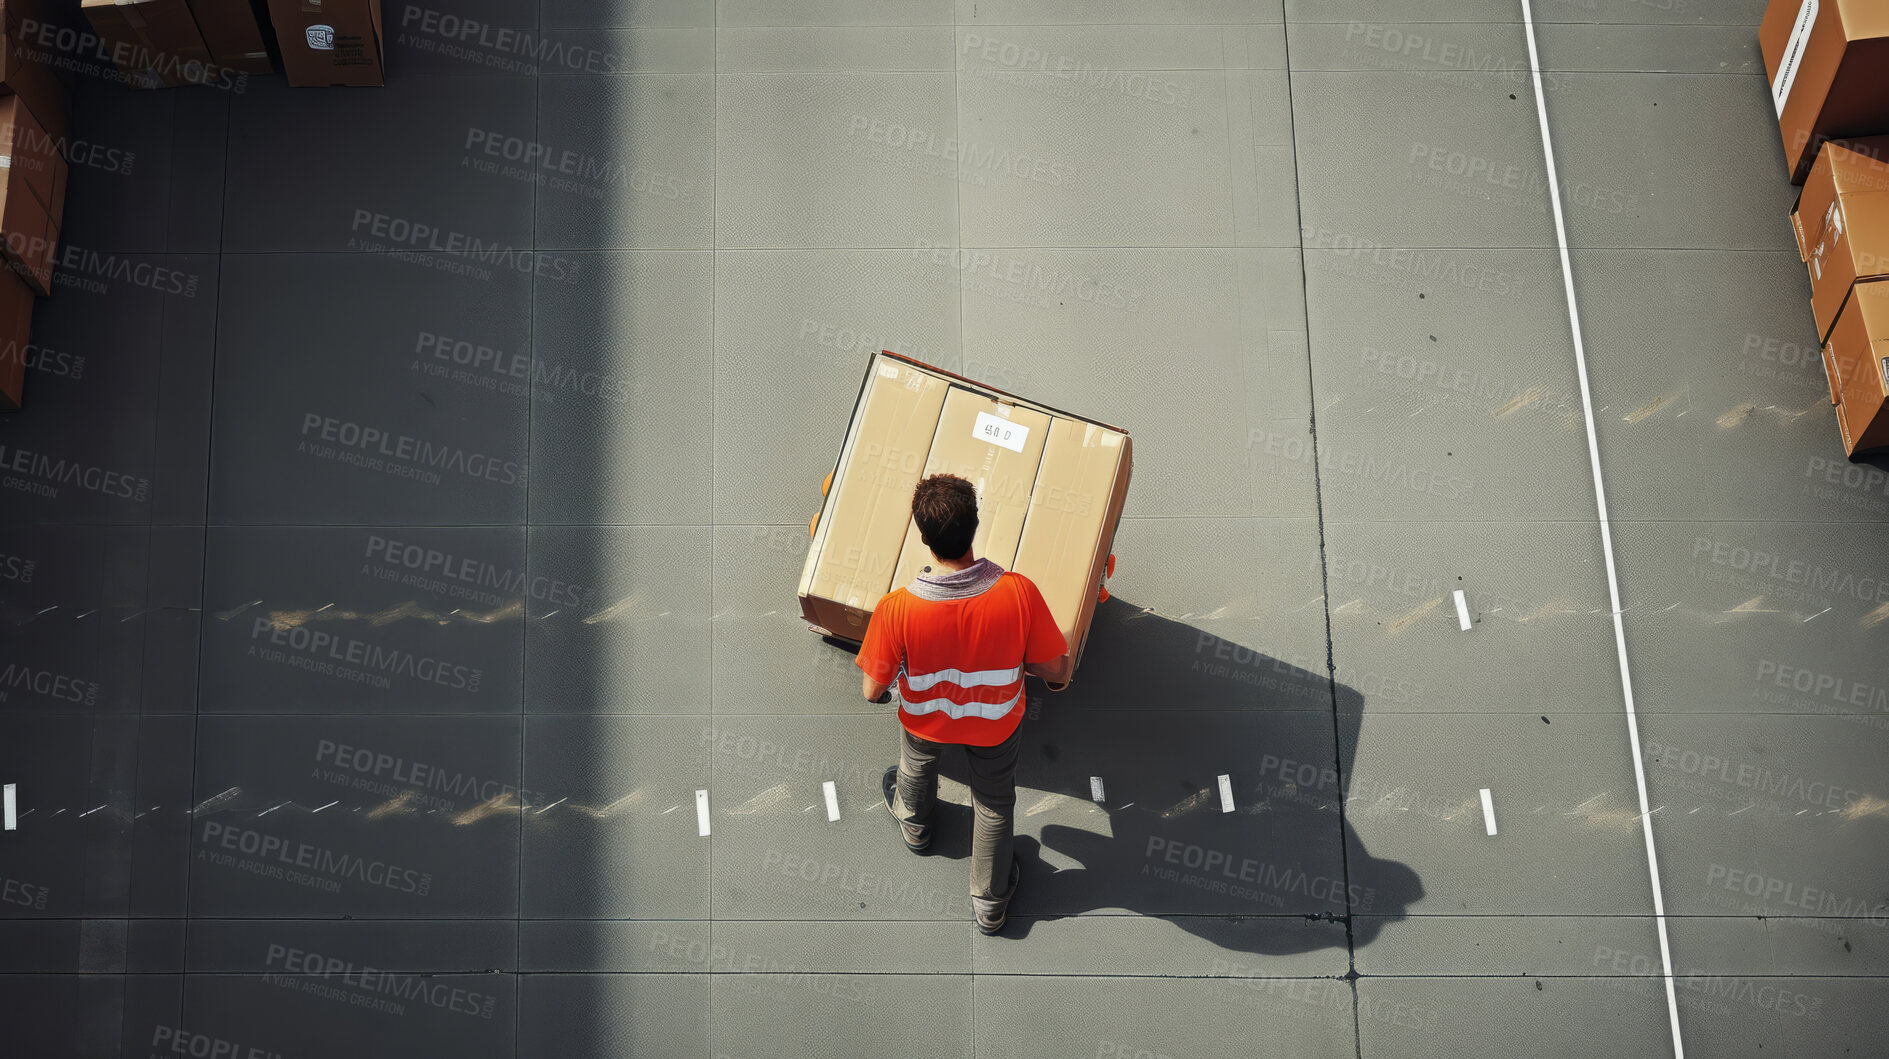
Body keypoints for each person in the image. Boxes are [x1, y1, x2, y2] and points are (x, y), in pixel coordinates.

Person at [856, 473, 1068, 935]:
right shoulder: (1018, 593)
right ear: (975, 525)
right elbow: (1056, 670)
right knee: (993, 802)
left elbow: (873, 689)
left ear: (924, 540)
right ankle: (990, 905)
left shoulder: (896, 608)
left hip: (925, 722)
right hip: (994, 725)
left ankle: (916, 827)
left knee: (914, 765)